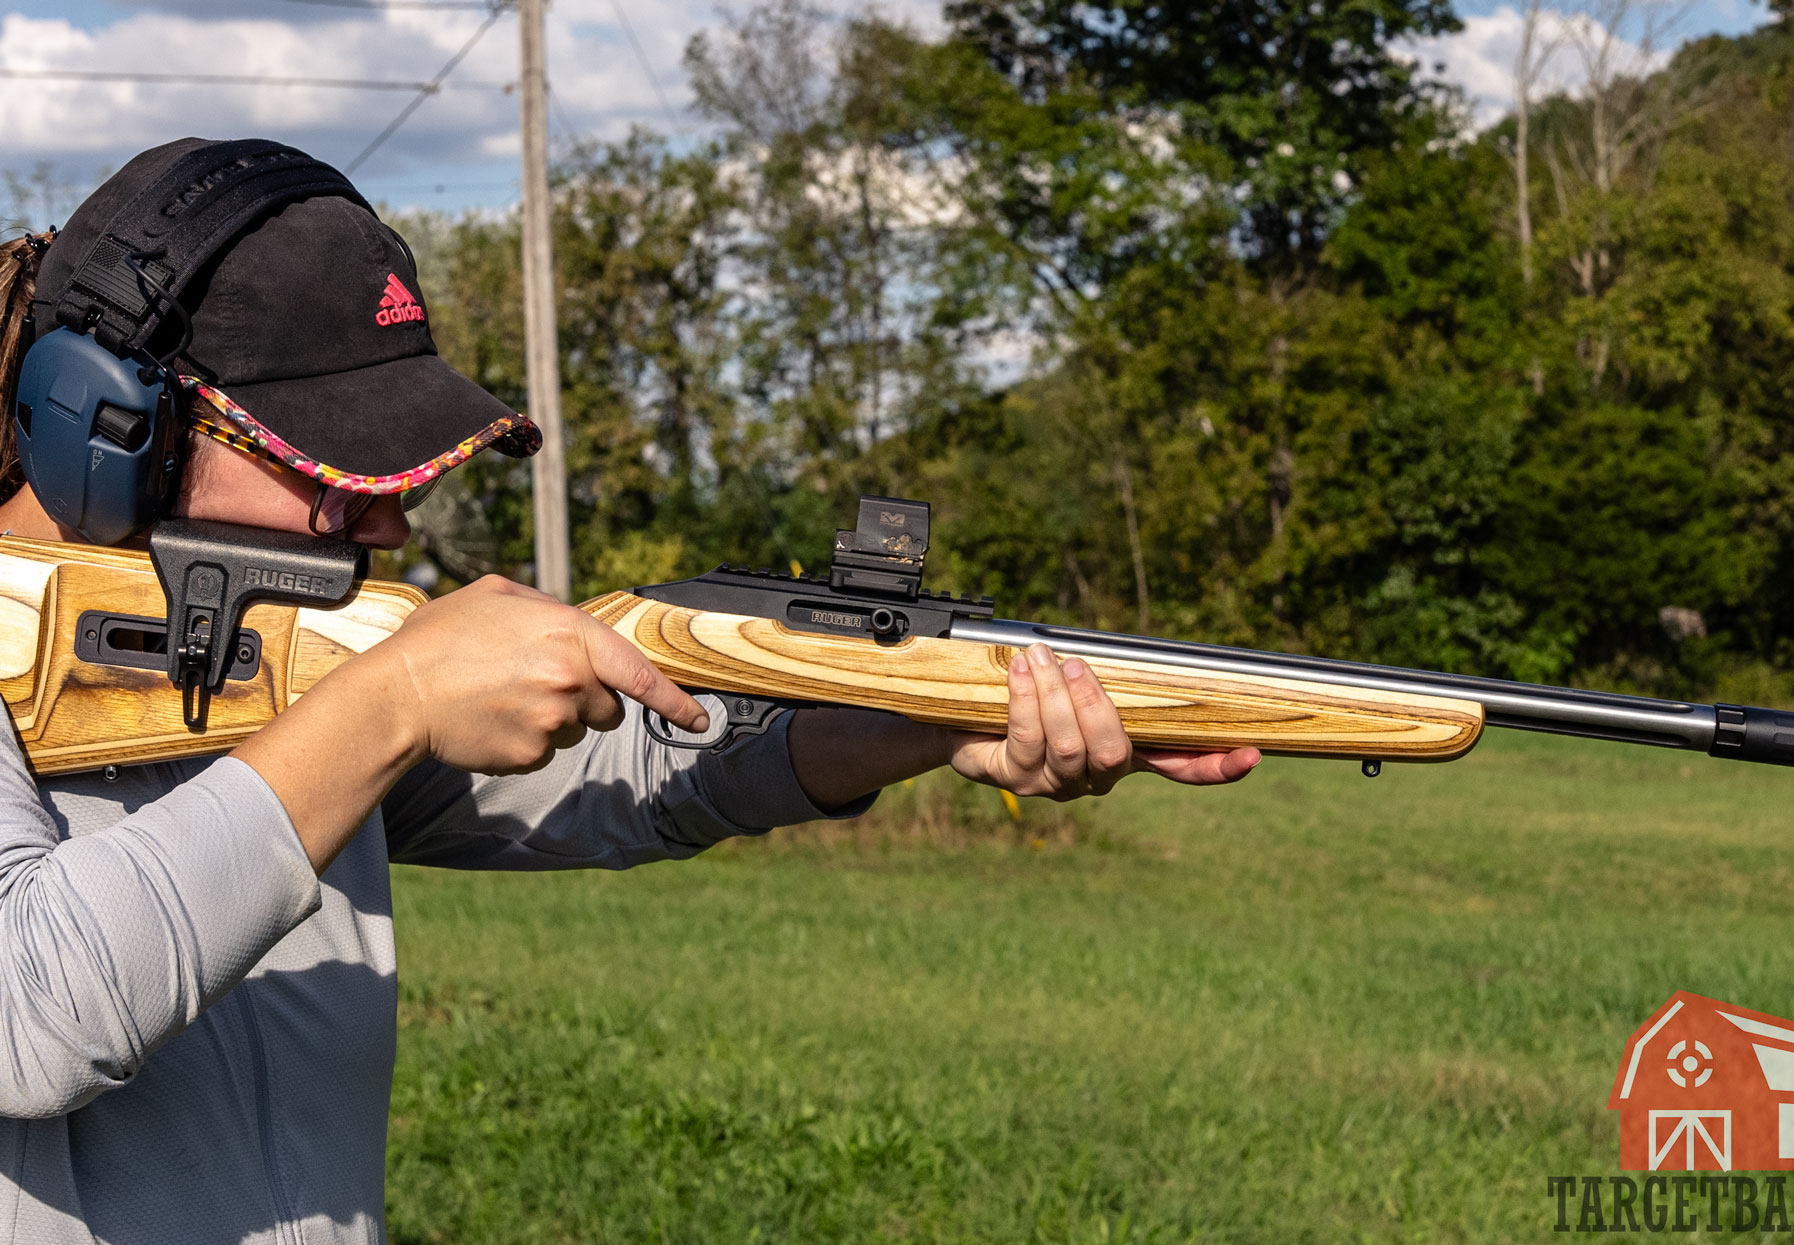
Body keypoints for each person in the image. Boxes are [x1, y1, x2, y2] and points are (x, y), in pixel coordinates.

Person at [0, 138, 1258, 1243]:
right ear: (102, 424)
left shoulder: (275, 660)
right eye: (331, 470)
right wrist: (393, 699)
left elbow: (632, 772)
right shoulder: (338, 697)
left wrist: (924, 716)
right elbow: (33, 1011)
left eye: (399, 472)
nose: (383, 522)